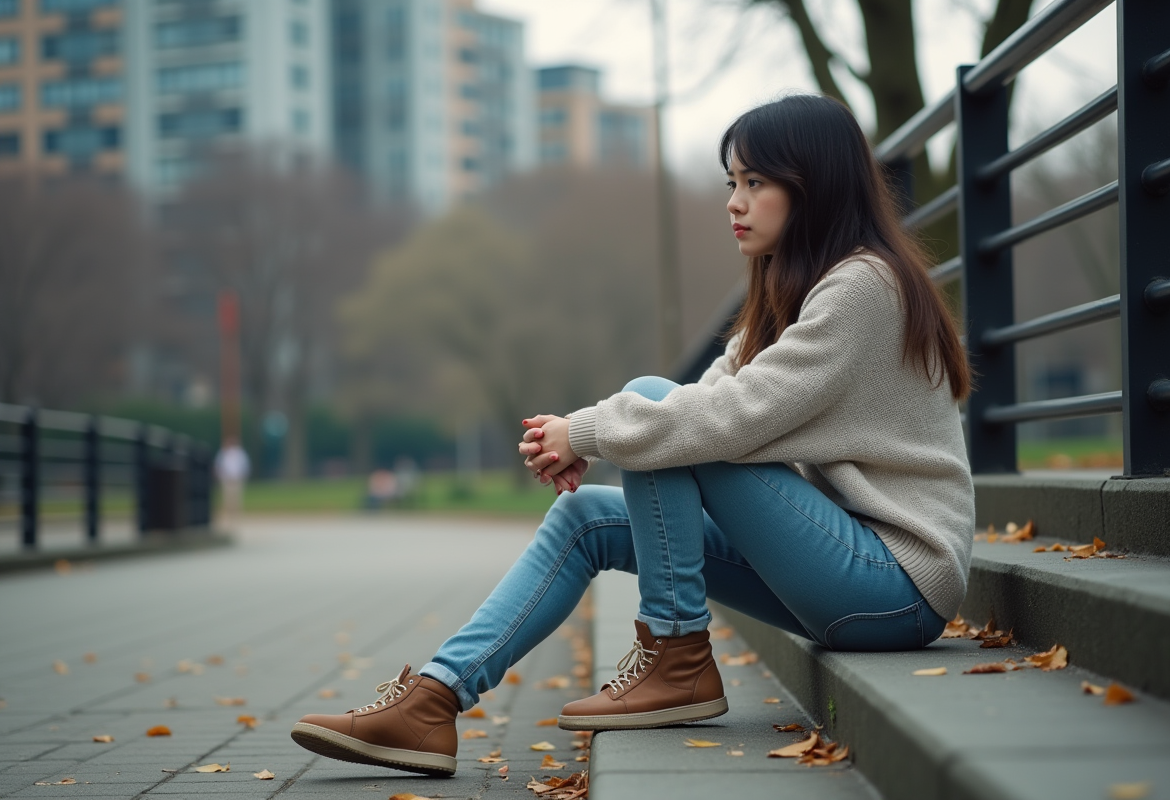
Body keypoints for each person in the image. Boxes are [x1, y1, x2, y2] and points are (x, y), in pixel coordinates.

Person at [289, 94, 974, 777]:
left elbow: (728, 417)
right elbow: (709, 399)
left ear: (815, 183)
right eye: (732, 182)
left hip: (895, 587)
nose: (734, 202)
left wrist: (585, 432)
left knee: (653, 405)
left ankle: (677, 656)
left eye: (755, 182)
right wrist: (593, 435)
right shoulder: (791, 290)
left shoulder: (863, 287)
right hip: (840, 575)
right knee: (589, 514)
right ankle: (434, 702)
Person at [213, 436, 250, 529]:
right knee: (227, 500)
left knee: (237, 499)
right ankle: (229, 518)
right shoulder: (223, 453)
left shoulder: (240, 453)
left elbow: (245, 465)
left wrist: (242, 476)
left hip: (237, 479)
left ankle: (236, 518)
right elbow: (218, 466)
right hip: (226, 480)